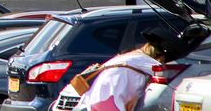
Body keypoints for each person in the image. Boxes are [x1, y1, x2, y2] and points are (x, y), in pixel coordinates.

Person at [75, 24, 208, 111]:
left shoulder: (130, 57)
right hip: (108, 101)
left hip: (95, 100)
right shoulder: (146, 63)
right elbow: (169, 72)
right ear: (161, 56)